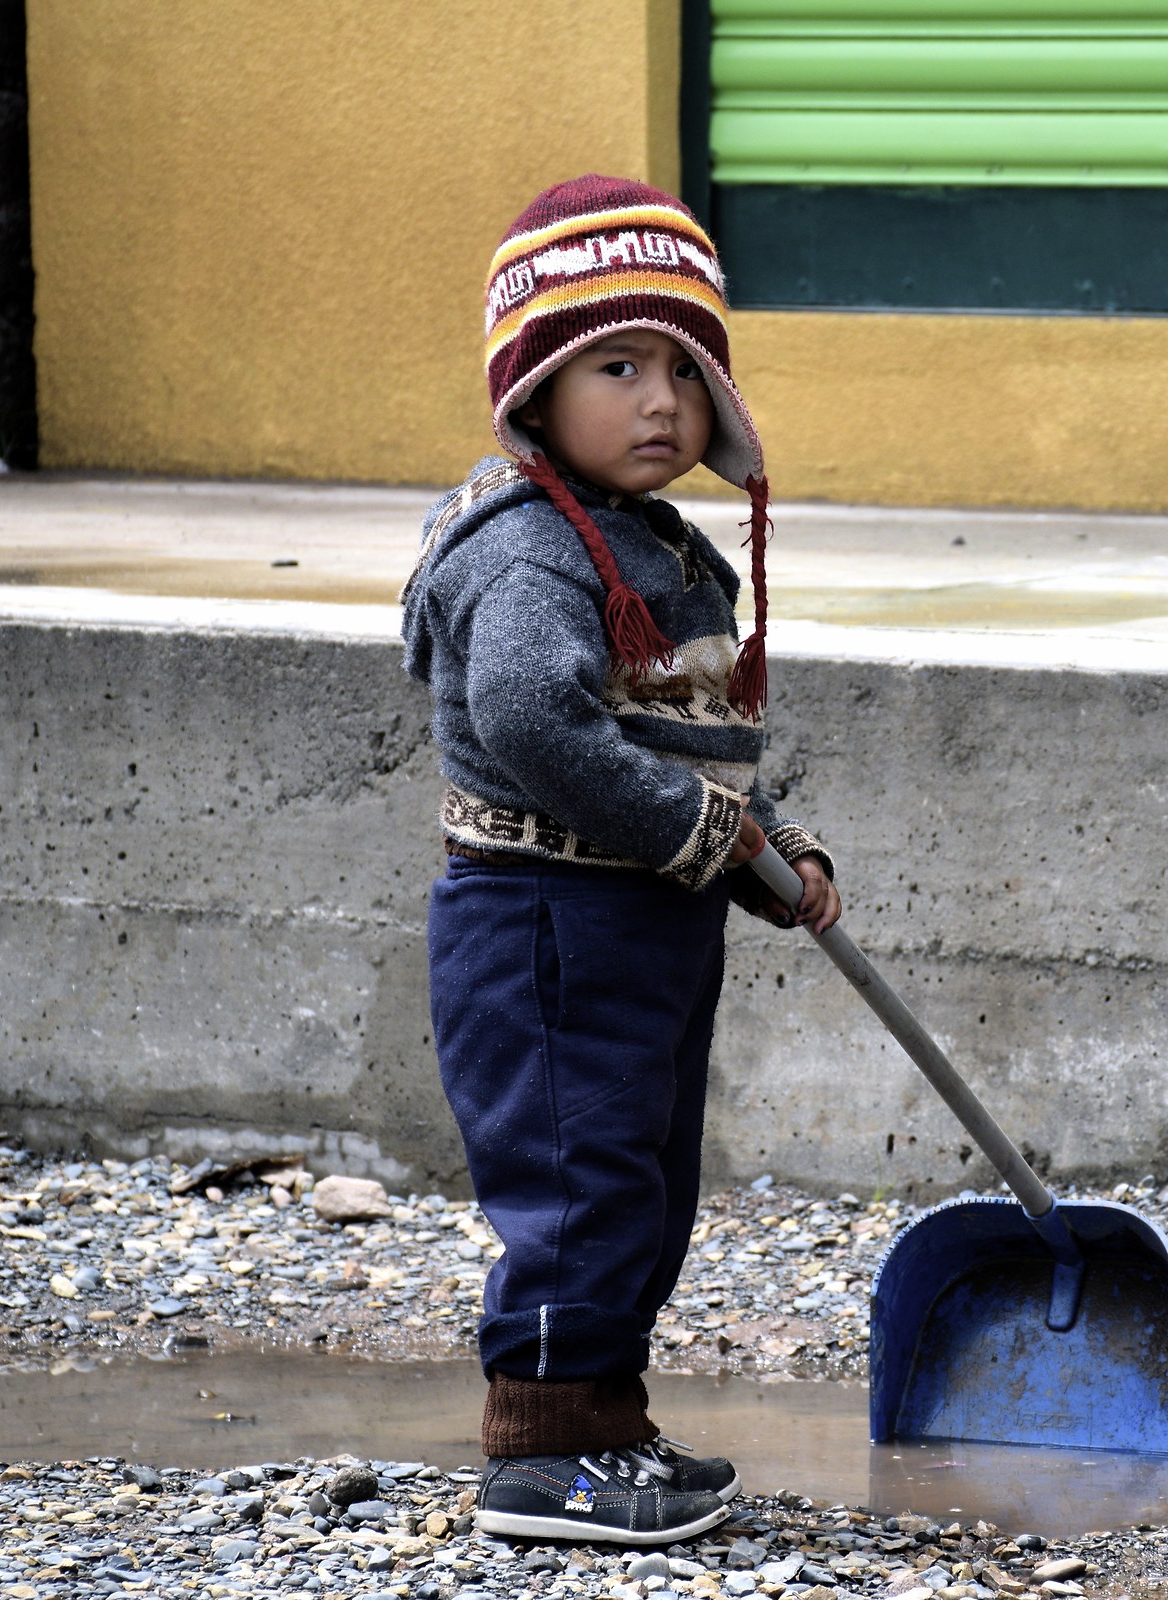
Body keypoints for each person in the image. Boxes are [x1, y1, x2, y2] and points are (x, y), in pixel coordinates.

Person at [401, 174, 840, 1544]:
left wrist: (762, 845)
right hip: (546, 919)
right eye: (618, 366)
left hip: (639, 914)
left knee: (643, 1178)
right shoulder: (531, 551)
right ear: (535, 392)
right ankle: (539, 1453)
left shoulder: (646, 539)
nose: (662, 403)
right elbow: (531, 718)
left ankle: (606, 1421)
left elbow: (683, 742)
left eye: (685, 371)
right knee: (579, 1172)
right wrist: (700, 835)